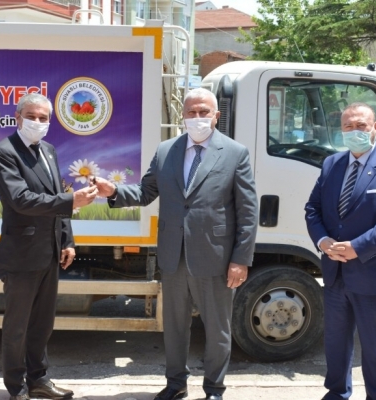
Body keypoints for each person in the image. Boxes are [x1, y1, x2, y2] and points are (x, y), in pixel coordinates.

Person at [93, 88, 258, 400]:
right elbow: (146, 192)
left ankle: (214, 388)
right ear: (183, 115)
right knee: (174, 327)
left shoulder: (235, 153)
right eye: (191, 112)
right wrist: (114, 191)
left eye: (203, 112)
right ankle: (176, 384)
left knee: (217, 329)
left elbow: (248, 211)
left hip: (215, 257)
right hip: (173, 255)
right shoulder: (167, 150)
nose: (197, 118)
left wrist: (241, 259)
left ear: (216, 116)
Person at [0, 93, 98, 400]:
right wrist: (72, 201)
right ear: (17, 117)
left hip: (49, 252)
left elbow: (54, 194)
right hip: (21, 255)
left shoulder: (48, 150)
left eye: (43, 118)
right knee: (18, 327)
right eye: (31, 116)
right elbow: (20, 200)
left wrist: (67, 239)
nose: (37, 122)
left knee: (42, 324)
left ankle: (39, 379)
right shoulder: (4, 152)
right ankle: (17, 388)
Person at [304, 102, 376, 400]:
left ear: (375, 127)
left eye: (361, 125)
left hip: (374, 272)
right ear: (341, 131)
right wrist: (323, 241)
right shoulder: (332, 164)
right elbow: (313, 208)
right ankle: (337, 393)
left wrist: (357, 248)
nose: (355, 131)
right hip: (335, 271)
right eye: (348, 126)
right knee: (336, 342)